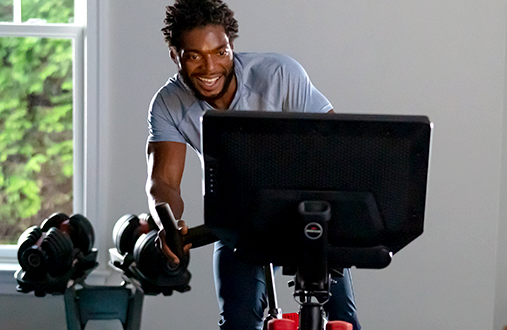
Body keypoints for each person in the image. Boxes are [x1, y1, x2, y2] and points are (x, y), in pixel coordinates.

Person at [145, 0, 360, 329]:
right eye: (194, 56)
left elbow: (334, 145)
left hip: (308, 215)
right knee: (238, 320)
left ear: (232, 46)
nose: (209, 67)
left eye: (220, 52)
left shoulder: (278, 74)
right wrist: (168, 223)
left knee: (341, 320)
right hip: (239, 222)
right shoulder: (169, 104)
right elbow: (164, 182)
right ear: (176, 56)